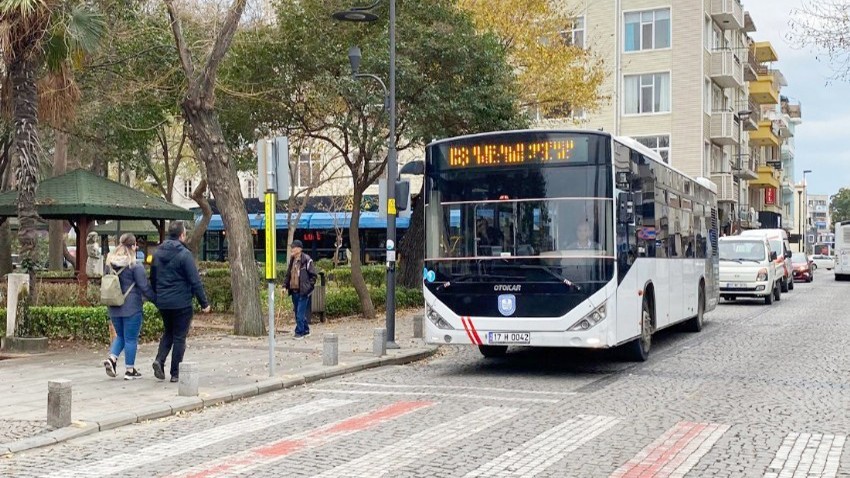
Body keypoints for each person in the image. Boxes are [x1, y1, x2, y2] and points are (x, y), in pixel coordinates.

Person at [150, 221, 211, 383]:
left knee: (168, 331)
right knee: (179, 337)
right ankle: (175, 372)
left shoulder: (157, 253)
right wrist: (204, 303)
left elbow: (153, 279)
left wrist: (158, 297)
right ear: (182, 235)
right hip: (181, 302)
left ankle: (159, 360)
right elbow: (195, 281)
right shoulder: (184, 255)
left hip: (163, 301)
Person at [103, 233, 156, 380]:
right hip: (131, 307)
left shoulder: (109, 264)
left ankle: (112, 359)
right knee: (131, 339)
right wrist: (157, 300)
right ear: (133, 246)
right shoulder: (135, 266)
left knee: (120, 335)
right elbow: (144, 287)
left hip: (113, 305)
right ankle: (130, 370)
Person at [282, 240, 317, 339]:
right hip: (294, 290)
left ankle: (299, 332)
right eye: (292, 247)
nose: (292, 249)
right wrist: (284, 286)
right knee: (297, 311)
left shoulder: (306, 259)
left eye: (294, 247)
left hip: (303, 291)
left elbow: (313, 275)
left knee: (300, 313)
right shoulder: (292, 260)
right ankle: (306, 330)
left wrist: (308, 287)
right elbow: (288, 274)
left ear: (300, 249)